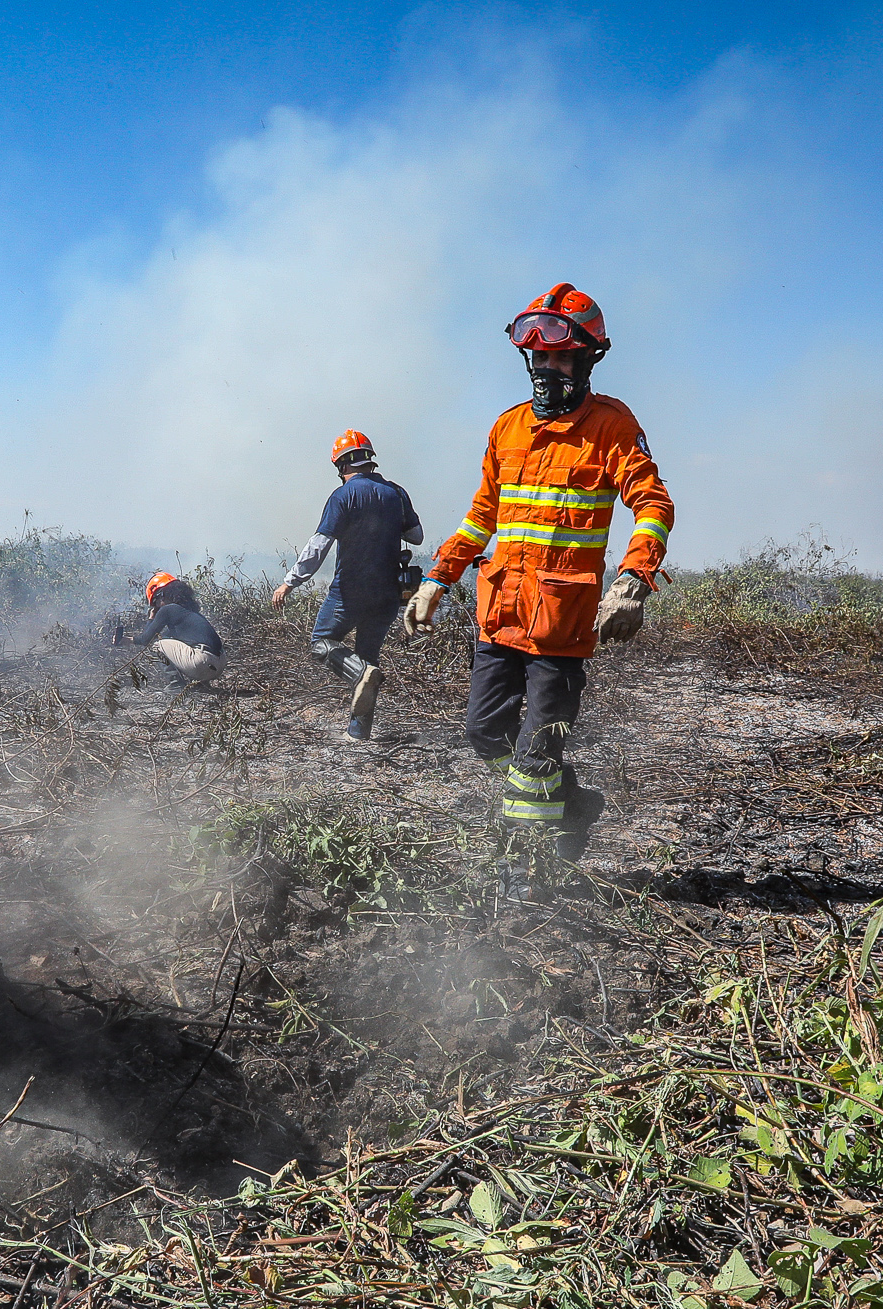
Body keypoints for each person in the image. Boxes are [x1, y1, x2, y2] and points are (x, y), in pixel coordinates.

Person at [404, 284, 673, 891]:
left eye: (560, 356)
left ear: (586, 359)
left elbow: (652, 503)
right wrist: (437, 578)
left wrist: (633, 580)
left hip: (561, 626)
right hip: (499, 616)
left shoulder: (611, 425)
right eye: (539, 356)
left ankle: (530, 873)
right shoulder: (507, 429)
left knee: (534, 755)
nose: (547, 367)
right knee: (484, 734)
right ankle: (573, 803)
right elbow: (482, 516)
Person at [272, 430, 423, 740]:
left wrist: (290, 583)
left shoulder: (343, 496)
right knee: (368, 658)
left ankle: (359, 674)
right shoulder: (396, 493)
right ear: (370, 460)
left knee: (321, 642)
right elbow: (416, 536)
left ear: (341, 466)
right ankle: (358, 734)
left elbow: (318, 546)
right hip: (388, 595)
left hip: (349, 592)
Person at [116, 573, 226, 689]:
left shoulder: (168, 609)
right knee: (168, 642)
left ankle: (176, 685)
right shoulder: (189, 612)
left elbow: (146, 639)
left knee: (156, 645)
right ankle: (203, 684)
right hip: (219, 665)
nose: (156, 607)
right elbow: (163, 637)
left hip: (202, 662)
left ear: (162, 595)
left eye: (155, 602)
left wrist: (150, 618)